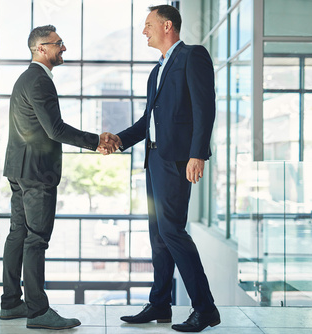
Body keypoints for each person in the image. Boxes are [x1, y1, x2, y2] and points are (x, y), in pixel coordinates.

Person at [104, 5, 220, 333]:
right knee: (158, 235)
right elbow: (147, 122)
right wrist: (119, 140)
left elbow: (204, 107)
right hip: (154, 158)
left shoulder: (192, 56)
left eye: (148, 25)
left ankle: (205, 307)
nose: (144, 31)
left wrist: (197, 154)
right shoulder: (156, 71)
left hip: (177, 159)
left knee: (172, 231)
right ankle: (159, 303)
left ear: (167, 25)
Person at [0, 24, 117, 330]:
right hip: (37, 173)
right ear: (41, 48)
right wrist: (96, 142)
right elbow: (55, 130)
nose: (63, 48)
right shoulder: (39, 81)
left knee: (18, 234)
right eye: (58, 43)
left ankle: (11, 303)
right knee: (36, 239)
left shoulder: (26, 78)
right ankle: (38, 312)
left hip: (18, 169)